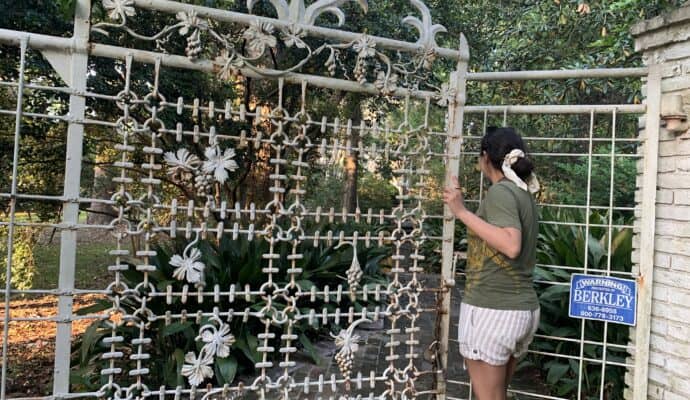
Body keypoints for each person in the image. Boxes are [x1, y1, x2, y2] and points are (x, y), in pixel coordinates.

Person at [443, 126, 541, 400]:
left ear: (486, 157)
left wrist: (460, 211)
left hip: (493, 310)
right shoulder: (524, 194)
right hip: (521, 310)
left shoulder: (501, 192)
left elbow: (511, 245)